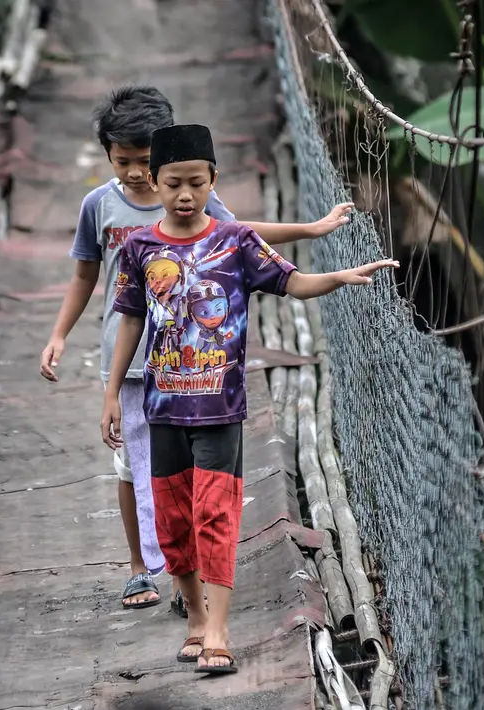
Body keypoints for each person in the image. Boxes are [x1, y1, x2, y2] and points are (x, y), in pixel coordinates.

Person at [38, 86, 354, 615]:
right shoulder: (100, 206)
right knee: (132, 467)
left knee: (184, 472)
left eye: (145, 161)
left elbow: (240, 234)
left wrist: (310, 230)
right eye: (124, 162)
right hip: (131, 357)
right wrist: (58, 334)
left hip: (190, 363)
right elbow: (84, 275)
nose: (137, 173)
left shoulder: (187, 189)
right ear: (108, 157)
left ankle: (187, 574)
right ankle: (143, 567)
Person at [101, 123, 397, 674]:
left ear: (213, 180)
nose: (184, 195)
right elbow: (131, 323)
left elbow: (291, 282)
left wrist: (338, 276)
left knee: (213, 515)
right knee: (171, 524)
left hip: (219, 408)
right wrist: (112, 393)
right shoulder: (140, 247)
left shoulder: (234, 241)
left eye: (195, 182)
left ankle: (217, 629)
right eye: (172, 184)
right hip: (162, 407)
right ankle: (193, 615)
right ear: (157, 187)